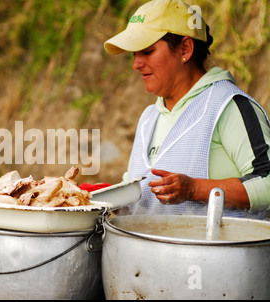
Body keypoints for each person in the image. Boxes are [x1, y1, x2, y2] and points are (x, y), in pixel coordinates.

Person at [103, 0, 270, 219]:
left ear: (185, 48)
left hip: (219, 253)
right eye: (134, 54)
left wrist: (194, 189)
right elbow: (135, 202)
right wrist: (99, 197)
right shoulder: (149, 118)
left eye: (146, 51)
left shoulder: (228, 106)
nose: (136, 64)